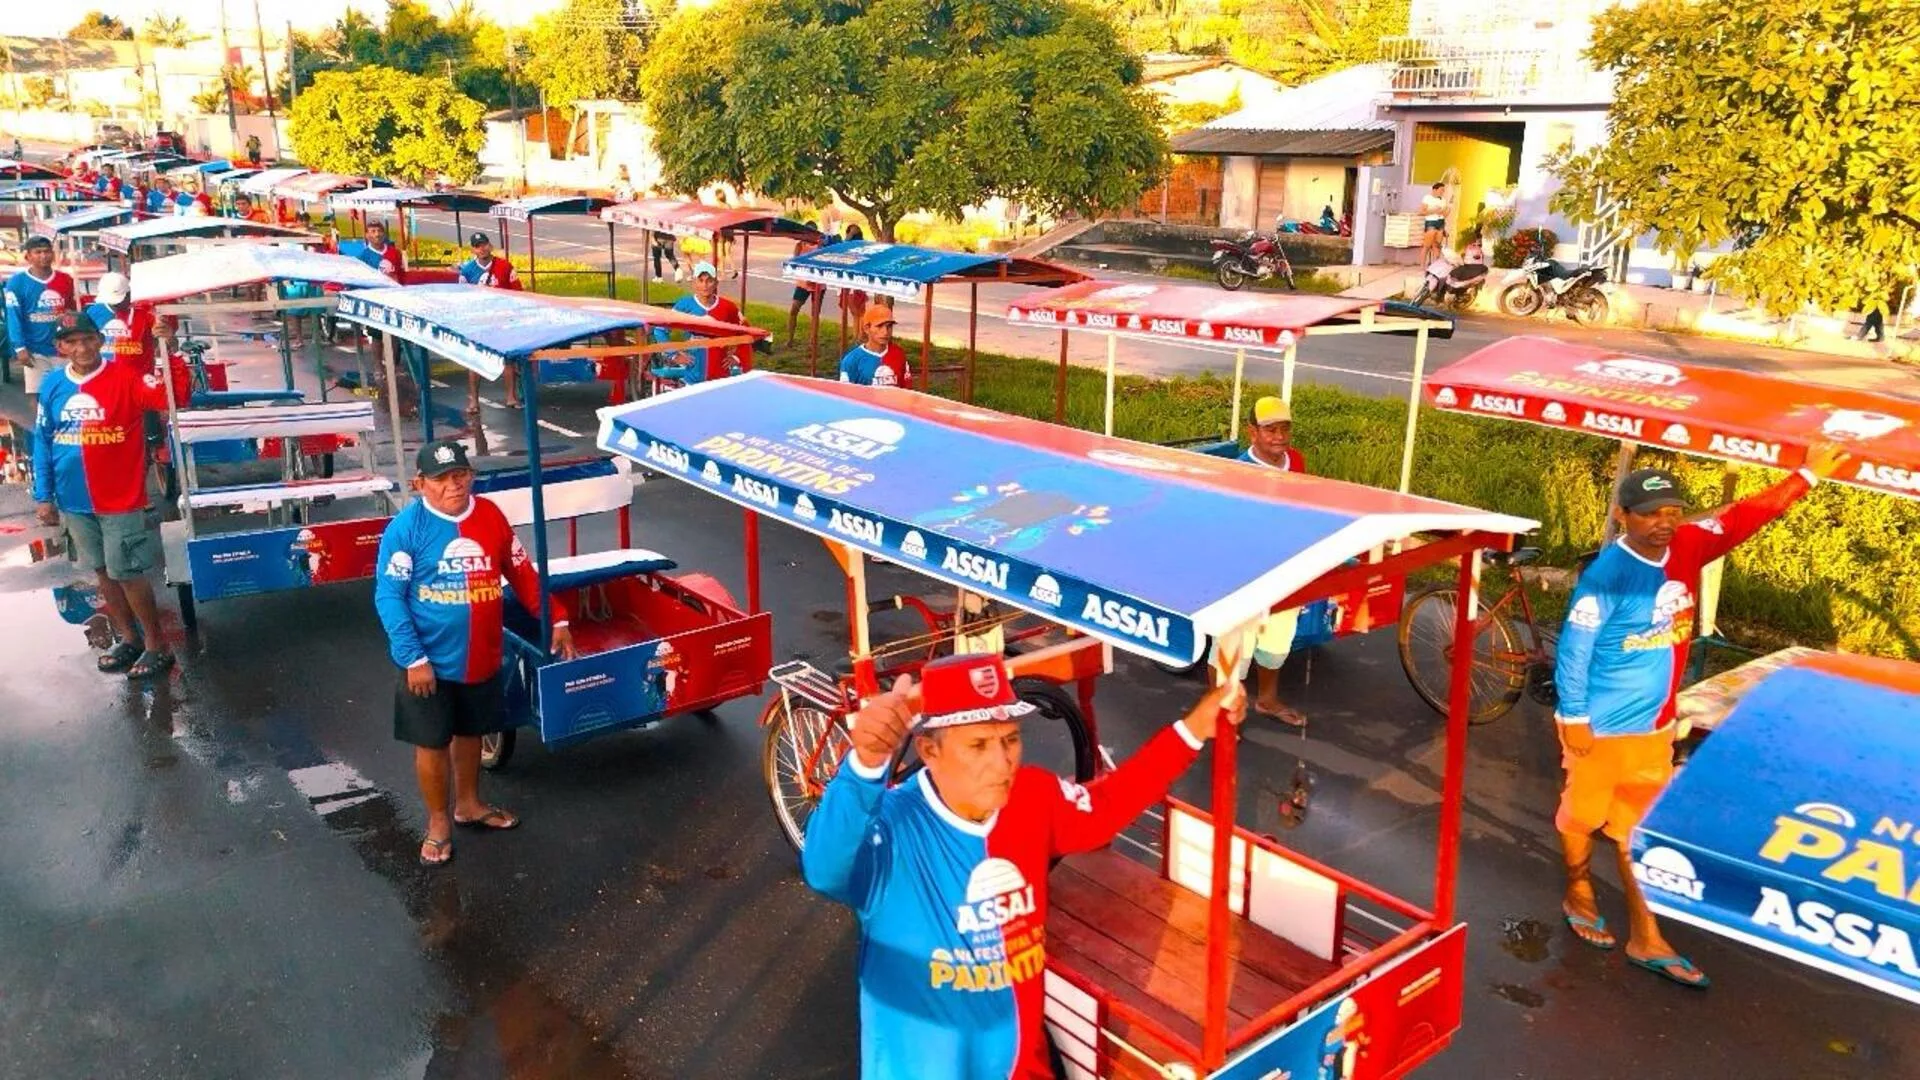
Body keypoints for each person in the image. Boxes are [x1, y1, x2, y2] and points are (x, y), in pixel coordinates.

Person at [804, 653, 1245, 1080]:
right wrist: (863, 766)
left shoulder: (1034, 796)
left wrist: (1193, 729)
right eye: (978, 745)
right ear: (929, 750)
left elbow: (1106, 806)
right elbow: (825, 870)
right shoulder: (892, 825)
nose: (1003, 763)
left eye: (1010, 739)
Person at [1553, 444, 1853, 988]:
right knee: (1581, 817)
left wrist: (1807, 475)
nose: (1664, 523)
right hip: (1600, 725)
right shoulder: (1606, 578)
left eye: (1672, 511)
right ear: (1622, 515)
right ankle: (1578, 888)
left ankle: (1646, 936)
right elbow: (1574, 650)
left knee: (1634, 830)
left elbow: (1743, 516)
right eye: (1650, 514)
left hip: (1655, 727)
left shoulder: (1689, 545)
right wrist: (1574, 718)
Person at [373, 439, 577, 868]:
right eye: (443, 478)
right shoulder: (406, 530)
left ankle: (468, 804)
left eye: (461, 474)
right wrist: (413, 658)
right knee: (431, 742)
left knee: (471, 732)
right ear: (420, 483)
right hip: (427, 665)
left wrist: (556, 619)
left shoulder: (490, 517)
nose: (455, 484)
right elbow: (389, 597)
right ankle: (438, 823)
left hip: (481, 657)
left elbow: (522, 573)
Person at [32, 312, 176, 679]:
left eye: (87, 340)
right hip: (73, 500)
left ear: (99, 340)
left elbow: (170, 396)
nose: (81, 348)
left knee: (126, 571)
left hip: (119, 497)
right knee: (103, 572)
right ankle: (129, 639)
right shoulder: (51, 385)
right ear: (60, 348)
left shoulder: (124, 376)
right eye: (71, 342)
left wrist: (168, 349)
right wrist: (43, 496)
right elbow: (42, 441)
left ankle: (157, 645)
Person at [1233, 396, 1308, 726]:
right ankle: (1223, 712)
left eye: (1284, 429)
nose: (1278, 436)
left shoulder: (1298, 461)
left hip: (1287, 567)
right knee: (1235, 649)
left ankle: (1266, 699)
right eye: (1270, 430)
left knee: (1277, 641)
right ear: (1252, 433)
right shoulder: (1238, 471)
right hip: (1246, 572)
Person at [649, 261, 750, 388]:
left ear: (716, 283)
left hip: (720, 379)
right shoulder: (684, 305)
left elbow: (745, 332)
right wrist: (673, 354)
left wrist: (737, 357)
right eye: (700, 280)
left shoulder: (728, 307)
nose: (705, 285)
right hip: (692, 378)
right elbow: (660, 330)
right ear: (694, 282)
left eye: (709, 281)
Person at [5, 236, 79, 400]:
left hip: (63, 349)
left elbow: (72, 312)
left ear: (53, 254)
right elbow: (14, 317)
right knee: (39, 395)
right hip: (35, 351)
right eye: (38, 252)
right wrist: (19, 348)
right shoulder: (16, 283)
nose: (43, 256)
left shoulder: (65, 280)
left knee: (67, 394)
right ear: (28, 256)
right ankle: (40, 424)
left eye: (46, 252)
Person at [84, 272, 155, 371]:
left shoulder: (144, 313)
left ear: (129, 294)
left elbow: (159, 340)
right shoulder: (93, 312)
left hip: (138, 375)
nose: (115, 305)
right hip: (104, 373)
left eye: (118, 301)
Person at [838, 306, 911, 388]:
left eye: (889, 326)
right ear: (866, 329)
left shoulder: (899, 354)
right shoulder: (851, 360)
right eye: (879, 326)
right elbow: (846, 395)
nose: (885, 332)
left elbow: (906, 390)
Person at [785, 222, 827, 348]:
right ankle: (790, 339)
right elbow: (795, 264)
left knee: (815, 314)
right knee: (794, 309)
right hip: (803, 284)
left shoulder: (821, 246)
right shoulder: (800, 245)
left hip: (818, 285)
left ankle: (813, 341)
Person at [1419, 182, 1449, 267]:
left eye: (1443, 190)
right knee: (1427, 245)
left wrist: (1447, 211)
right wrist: (1433, 211)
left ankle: (1435, 265)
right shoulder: (1427, 198)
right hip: (1431, 222)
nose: (1442, 192)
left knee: (1437, 245)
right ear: (1435, 190)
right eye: (1441, 190)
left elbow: (1444, 214)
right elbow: (1421, 212)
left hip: (1440, 222)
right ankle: (1422, 265)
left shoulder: (1443, 200)